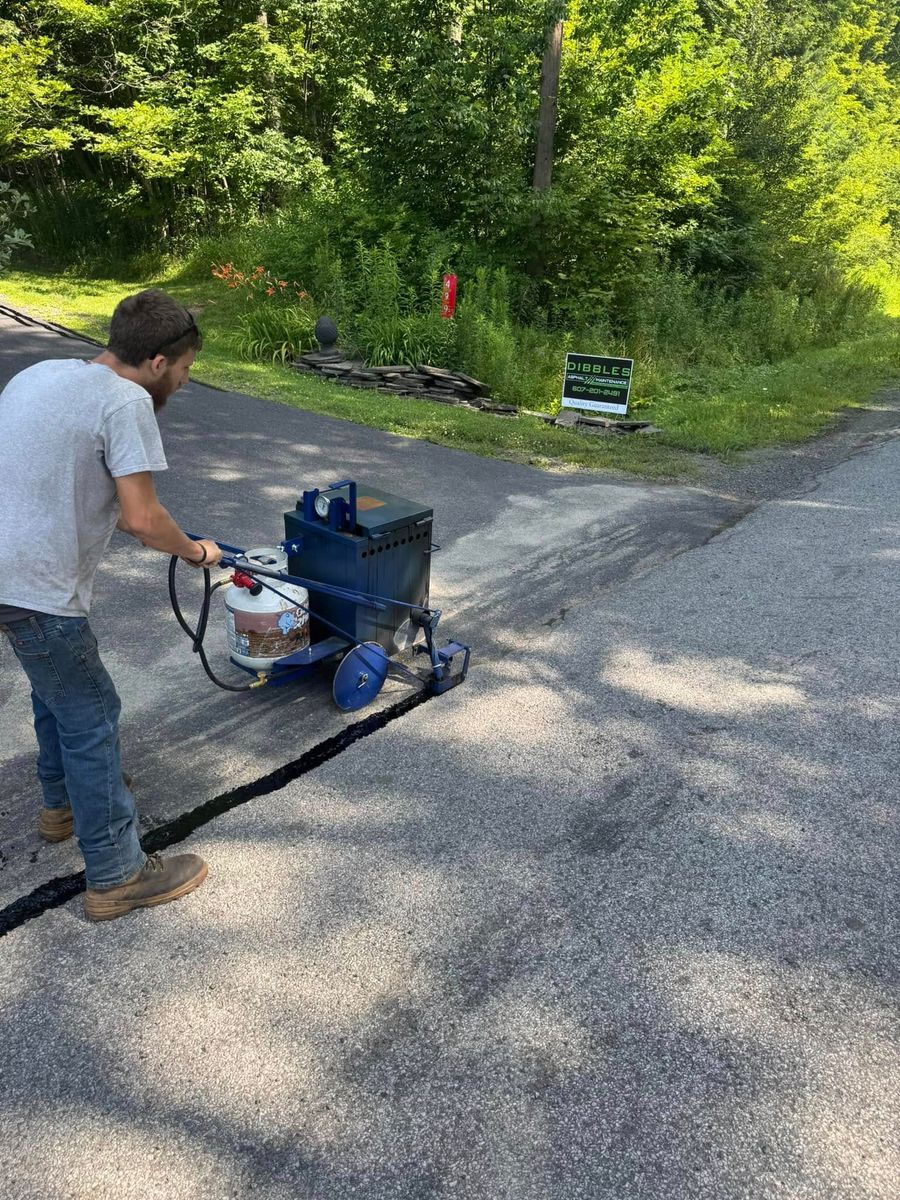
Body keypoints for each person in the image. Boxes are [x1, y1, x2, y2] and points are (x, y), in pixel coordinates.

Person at [0, 289, 223, 921]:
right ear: (157, 361)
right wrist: (198, 554)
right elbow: (143, 520)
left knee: (58, 690)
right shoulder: (127, 401)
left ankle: (61, 805)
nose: (183, 381)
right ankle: (117, 873)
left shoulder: (41, 373)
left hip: (5, 572)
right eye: (183, 370)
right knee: (93, 709)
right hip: (32, 585)